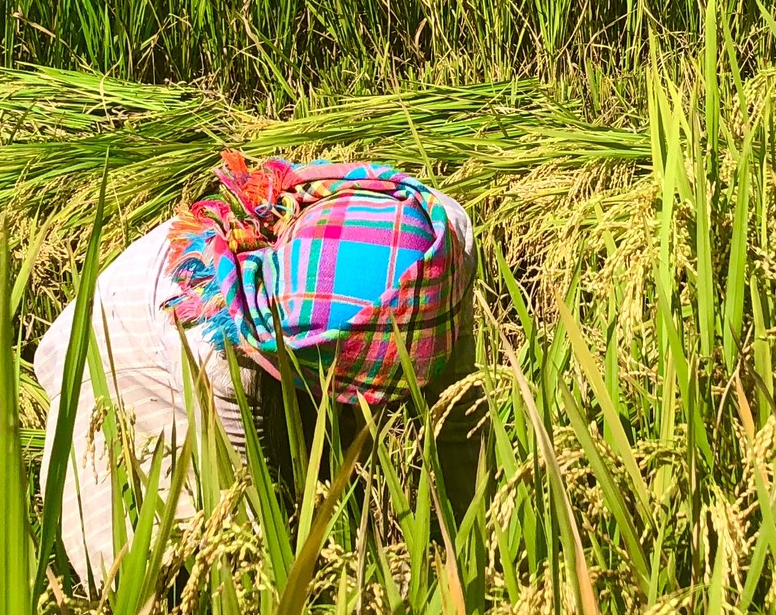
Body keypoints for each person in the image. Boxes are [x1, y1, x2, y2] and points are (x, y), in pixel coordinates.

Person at [33, 150, 474, 585]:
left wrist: (467, 537)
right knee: (179, 566)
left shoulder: (437, 252)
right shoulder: (230, 351)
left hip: (282, 327)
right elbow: (259, 494)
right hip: (111, 358)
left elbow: (458, 420)